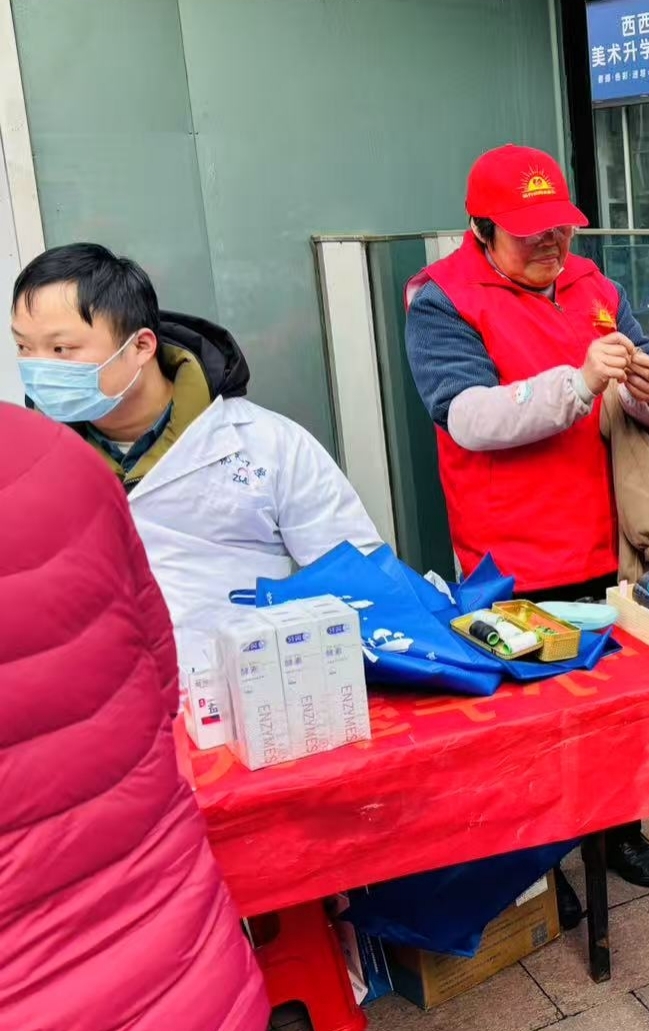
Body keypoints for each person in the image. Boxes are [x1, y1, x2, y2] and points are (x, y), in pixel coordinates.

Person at [404, 143, 649, 891]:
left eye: (560, 227)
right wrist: (578, 382)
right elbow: (466, 417)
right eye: (531, 233)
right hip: (513, 550)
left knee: (617, 706)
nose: (552, 244)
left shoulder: (594, 283)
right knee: (536, 718)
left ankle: (618, 830)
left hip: (609, 537)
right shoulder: (443, 298)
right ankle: (538, 862)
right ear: (481, 227)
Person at [0, 404, 269, 1031]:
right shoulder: (62, 457)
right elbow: (160, 674)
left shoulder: (261, 439)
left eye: (62, 354)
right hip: (183, 962)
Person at [11, 244, 383, 624]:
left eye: (61, 348)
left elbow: (363, 582)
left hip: (241, 659)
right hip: (96, 662)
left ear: (141, 346)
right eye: (23, 346)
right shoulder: (21, 463)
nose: (38, 367)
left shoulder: (267, 445)